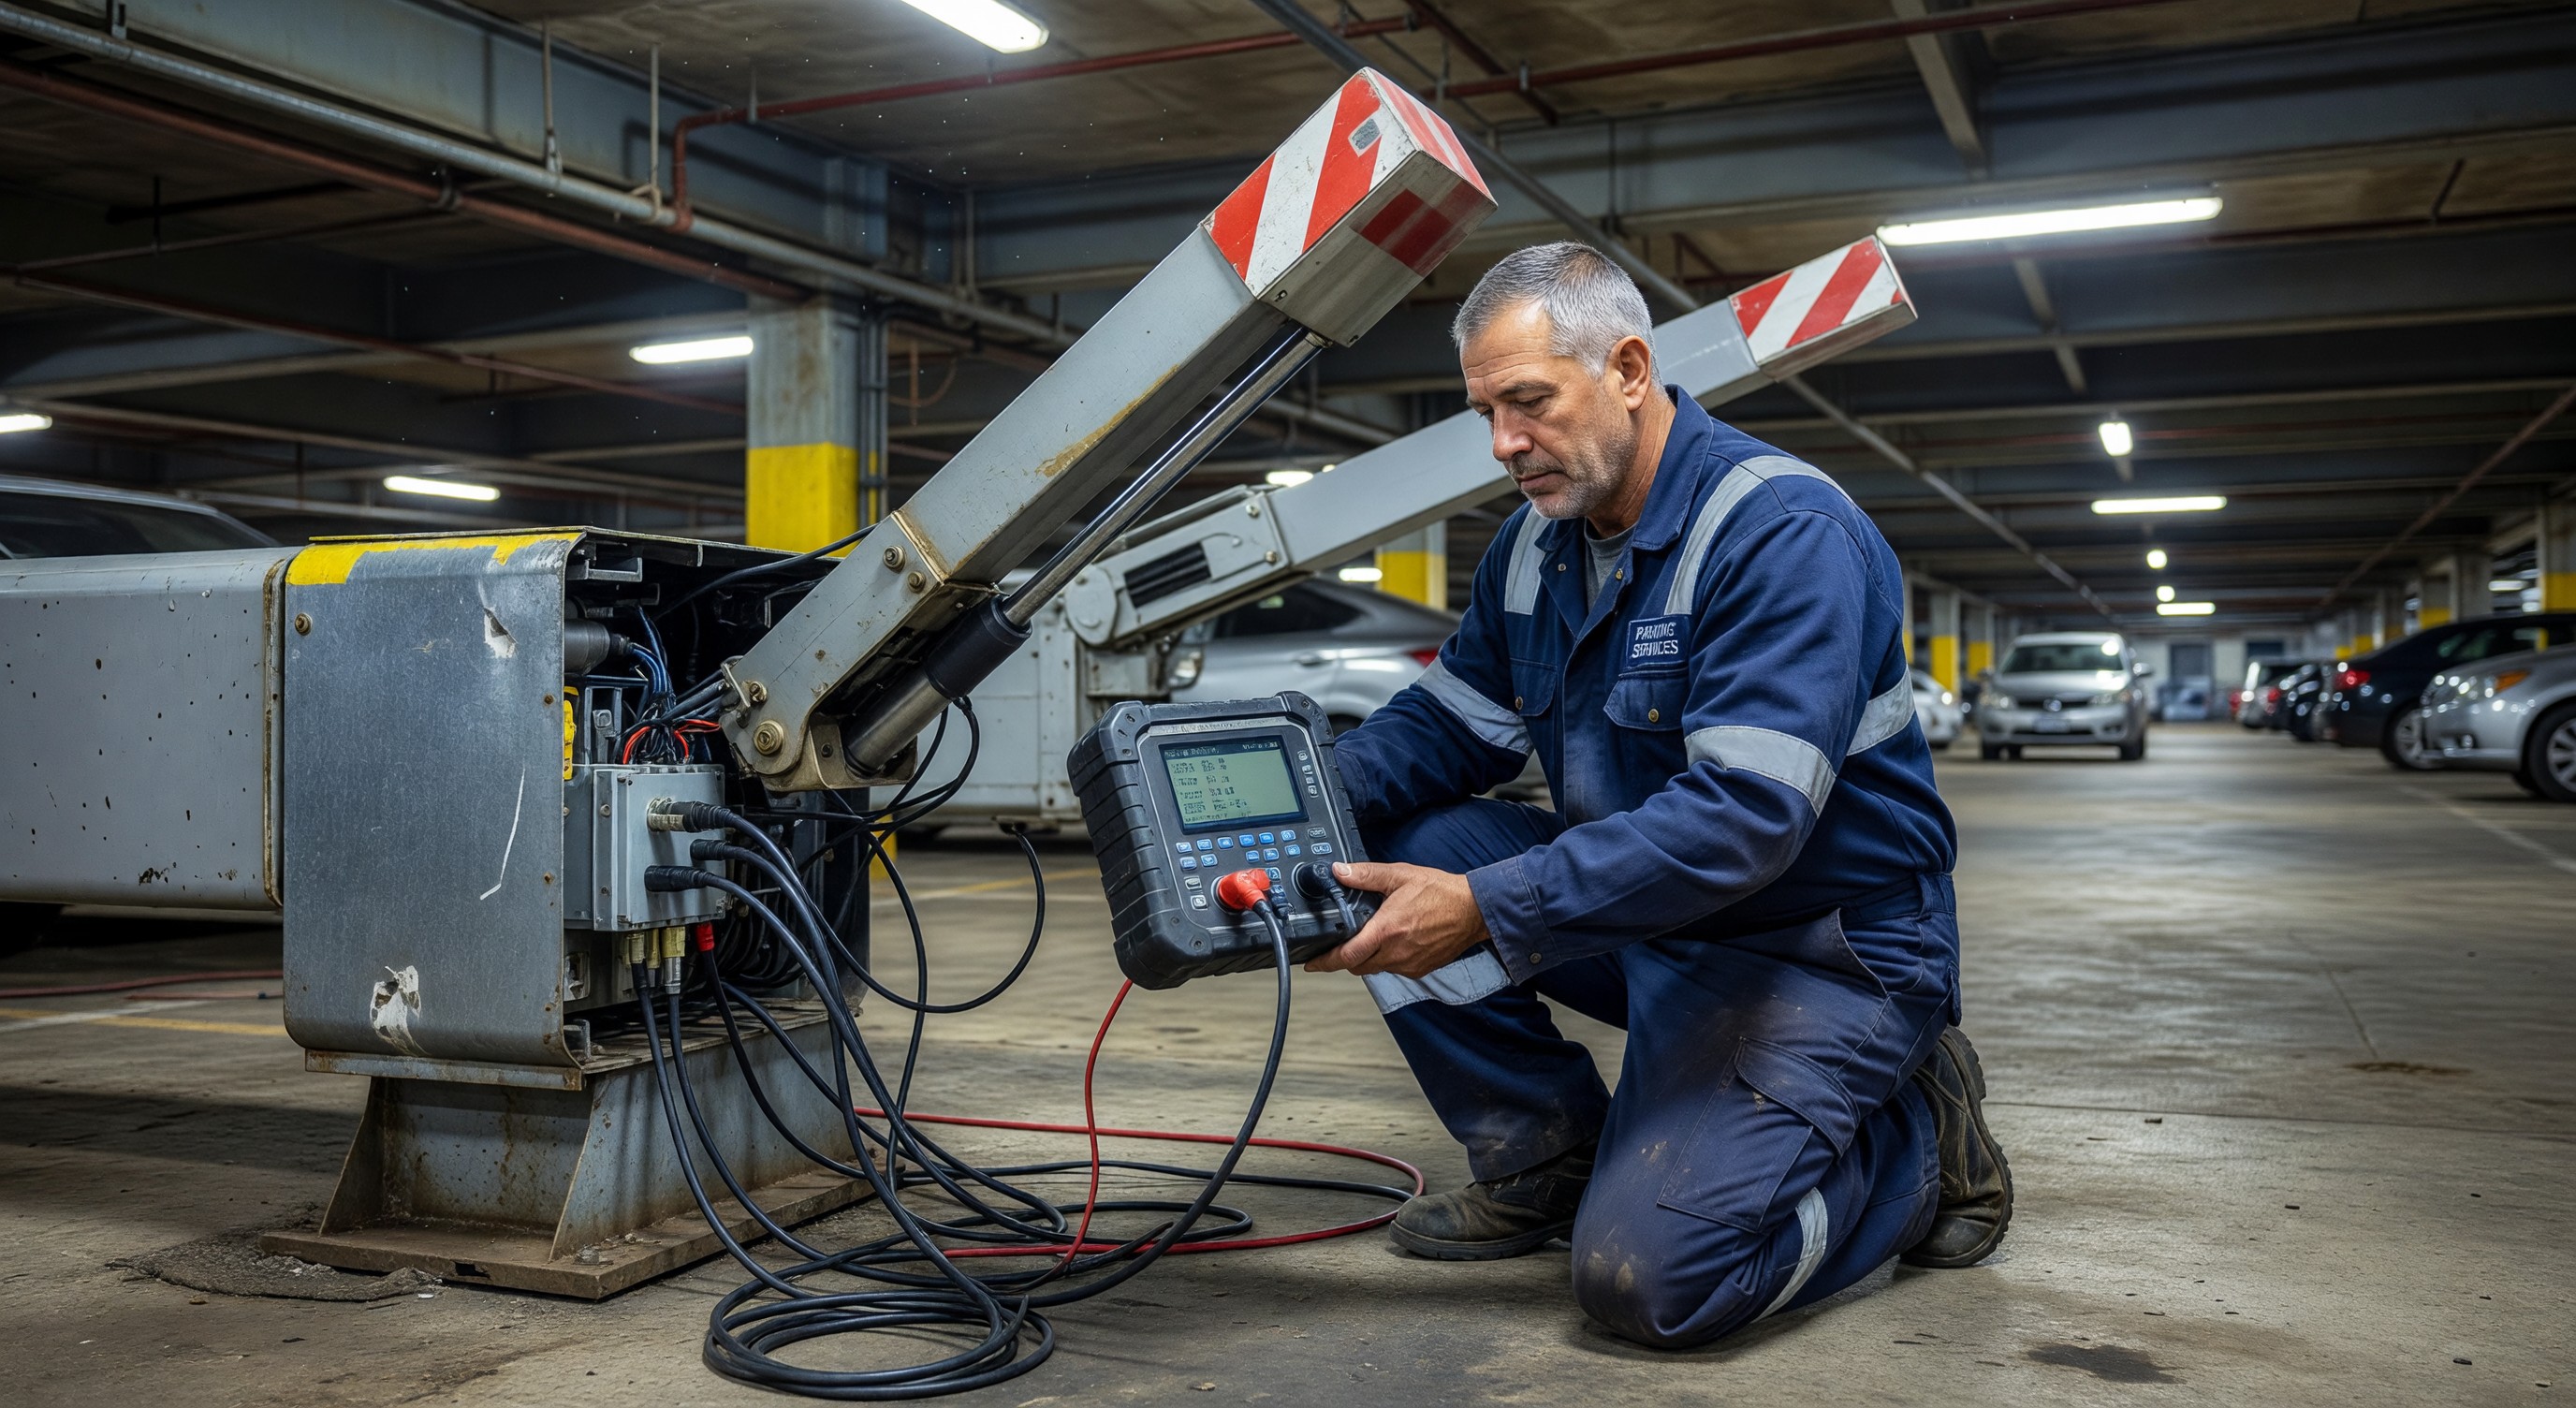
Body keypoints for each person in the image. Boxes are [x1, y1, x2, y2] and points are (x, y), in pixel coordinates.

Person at [1312, 242, 2011, 1348]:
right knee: (1380, 849)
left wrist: (1491, 908)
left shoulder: (1780, 532)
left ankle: (1915, 1138)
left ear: (1629, 368)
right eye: (1485, 412)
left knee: (1655, 1282)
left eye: (1528, 402)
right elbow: (1444, 732)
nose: (1503, 444)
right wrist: (1291, 818)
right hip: (1654, 924)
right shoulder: (1531, 552)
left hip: (1826, 952)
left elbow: (1744, 818)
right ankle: (1548, 1155)